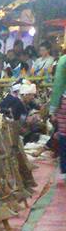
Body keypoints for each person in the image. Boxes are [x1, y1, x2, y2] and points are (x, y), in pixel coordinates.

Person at [49, 50, 66, 179]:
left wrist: (53, 108)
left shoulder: (63, 60)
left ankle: (65, 169)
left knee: (64, 135)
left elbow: (59, 84)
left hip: (64, 101)